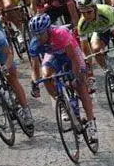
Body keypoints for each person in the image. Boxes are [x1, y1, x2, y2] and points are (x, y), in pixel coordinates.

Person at [28, 13, 98, 144]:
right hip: (55, 54)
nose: (38, 37)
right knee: (46, 76)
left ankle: (91, 123)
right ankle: (61, 102)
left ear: (47, 30)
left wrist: (76, 77)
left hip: (70, 54)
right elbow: (35, 67)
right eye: (35, 34)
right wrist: (34, 82)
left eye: (41, 34)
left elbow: (73, 58)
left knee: (80, 86)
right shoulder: (34, 43)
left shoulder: (60, 33)